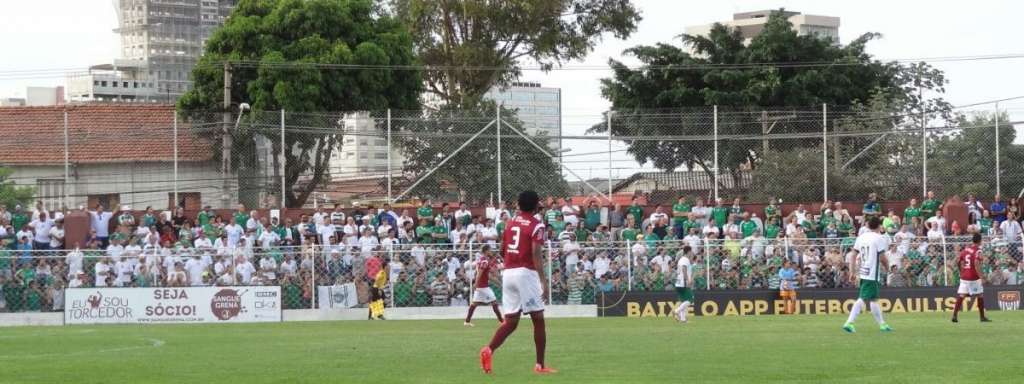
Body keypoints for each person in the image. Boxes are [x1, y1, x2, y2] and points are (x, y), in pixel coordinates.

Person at [480, 190, 556, 375]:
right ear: (536, 205)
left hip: (509, 272)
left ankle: (488, 349)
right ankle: (540, 365)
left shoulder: (509, 223)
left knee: (511, 321)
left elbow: (503, 248)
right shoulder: (537, 225)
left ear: (519, 205)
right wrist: (544, 282)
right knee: (538, 319)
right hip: (525, 273)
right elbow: (536, 256)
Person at [843, 217, 893, 333]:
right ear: (879, 226)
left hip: (863, 271)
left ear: (868, 226)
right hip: (872, 273)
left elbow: (853, 255)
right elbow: (882, 257)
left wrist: (852, 271)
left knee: (873, 299)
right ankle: (849, 322)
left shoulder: (861, 237)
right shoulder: (879, 238)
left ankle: (882, 324)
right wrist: (887, 268)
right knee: (863, 298)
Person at [952, 233, 991, 323]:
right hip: (974, 277)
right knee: (980, 295)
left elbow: (958, 260)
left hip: (964, 276)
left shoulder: (966, 249)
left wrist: (961, 271)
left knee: (962, 295)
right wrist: (982, 277)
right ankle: (982, 317)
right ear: (980, 241)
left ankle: (954, 315)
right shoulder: (978, 251)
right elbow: (976, 264)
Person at [464, 245, 503, 326]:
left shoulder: (483, 260)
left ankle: (467, 321)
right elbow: (480, 273)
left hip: (481, 286)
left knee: (474, 304)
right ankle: (502, 321)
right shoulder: (484, 261)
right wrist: (476, 283)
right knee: (494, 302)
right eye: (490, 250)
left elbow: (487, 275)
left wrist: (498, 283)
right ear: (486, 251)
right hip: (483, 287)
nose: (491, 251)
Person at [673, 246, 694, 323]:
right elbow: (684, 269)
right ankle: (676, 311)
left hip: (678, 282)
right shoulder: (685, 259)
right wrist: (687, 280)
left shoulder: (682, 259)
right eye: (691, 251)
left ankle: (683, 319)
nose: (692, 253)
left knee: (683, 301)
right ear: (688, 252)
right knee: (690, 299)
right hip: (683, 282)